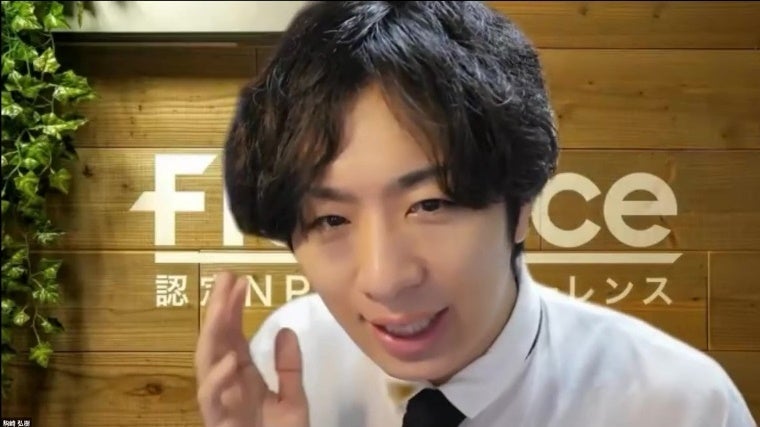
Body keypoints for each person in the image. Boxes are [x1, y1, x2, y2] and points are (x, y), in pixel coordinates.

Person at [194, 2, 757, 427]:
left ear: (521, 205)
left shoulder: (682, 406)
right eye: (331, 220)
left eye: (430, 204)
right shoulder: (285, 364)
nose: (385, 279)